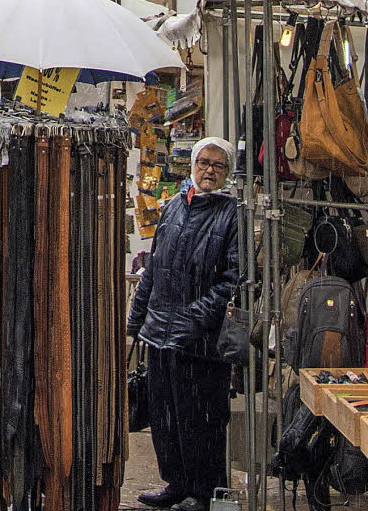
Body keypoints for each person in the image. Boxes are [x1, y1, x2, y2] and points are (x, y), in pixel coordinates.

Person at [127, 137, 239, 511]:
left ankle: (205, 491)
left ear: (226, 173)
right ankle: (176, 483)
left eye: (217, 166)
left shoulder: (232, 214)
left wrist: (194, 318)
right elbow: (153, 268)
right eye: (203, 163)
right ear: (192, 166)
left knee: (201, 419)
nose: (209, 170)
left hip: (201, 341)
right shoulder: (174, 206)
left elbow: (232, 279)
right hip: (160, 333)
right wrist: (136, 319)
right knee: (165, 416)